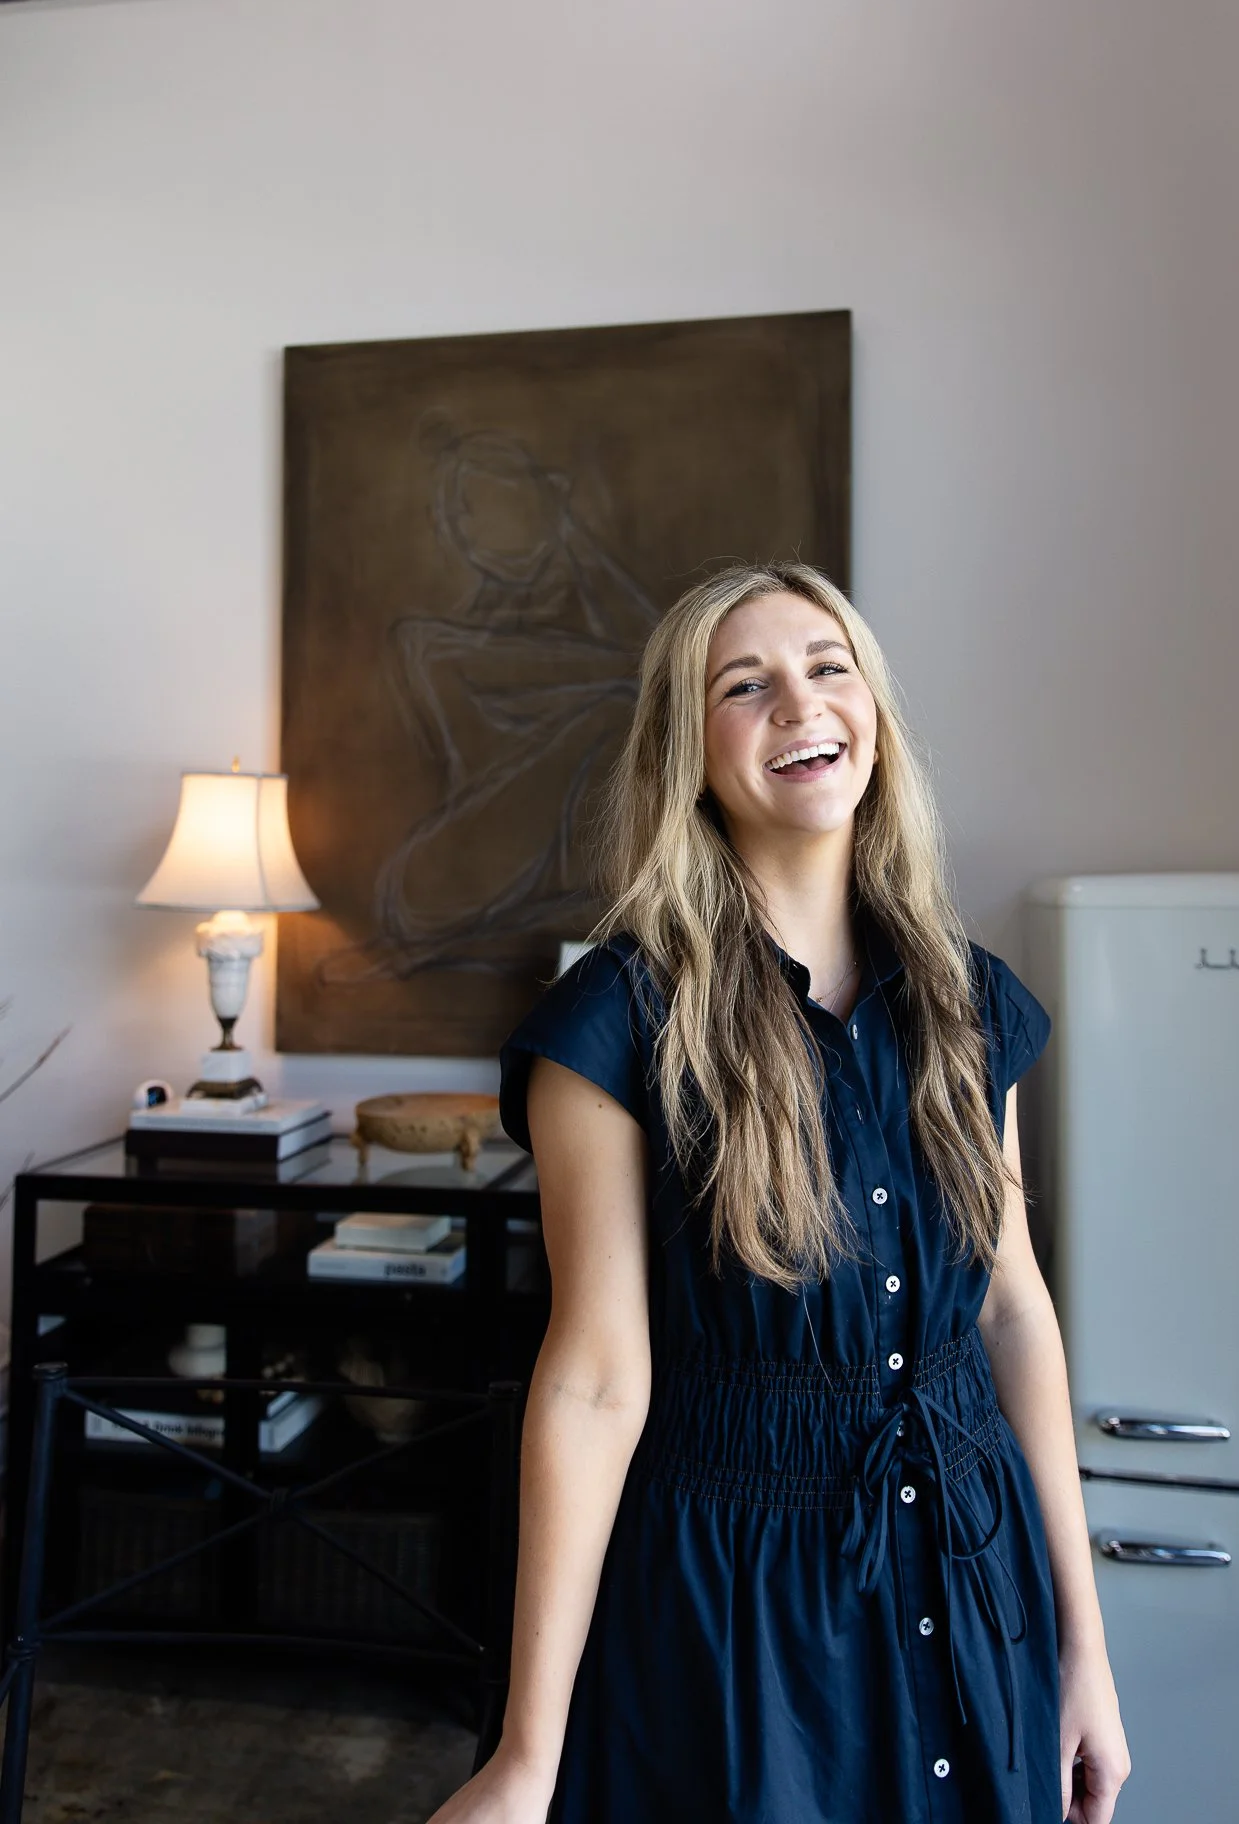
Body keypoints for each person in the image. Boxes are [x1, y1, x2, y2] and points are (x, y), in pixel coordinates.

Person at [425, 561, 1131, 1824]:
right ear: (690, 751)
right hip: (739, 1621)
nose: (799, 703)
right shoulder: (615, 1025)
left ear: (873, 715)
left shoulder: (969, 1003)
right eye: (743, 685)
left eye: (827, 666)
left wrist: (1085, 1646)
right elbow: (592, 1380)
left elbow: (1012, 1314)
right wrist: (528, 1753)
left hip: (980, 1584)